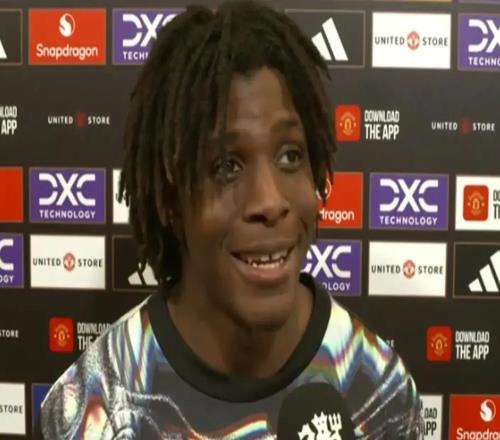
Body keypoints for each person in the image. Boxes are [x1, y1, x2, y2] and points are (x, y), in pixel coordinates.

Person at [37, 1, 423, 438]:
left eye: (290, 156)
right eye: (227, 166)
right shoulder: (93, 411)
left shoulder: (379, 392)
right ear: (171, 200)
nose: (270, 201)